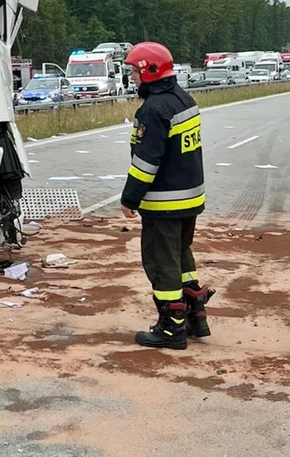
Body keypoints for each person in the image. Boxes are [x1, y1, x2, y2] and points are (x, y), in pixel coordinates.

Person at [119, 42, 214, 350]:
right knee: (182, 258)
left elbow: (146, 163)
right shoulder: (183, 100)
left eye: (134, 71)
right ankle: (195, 316)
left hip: (164, 202)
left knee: (161, 264)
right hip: (189, 200)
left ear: (148, 70)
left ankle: (171, 328)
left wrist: (129, 199)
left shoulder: (152, 110)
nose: (131, 78)